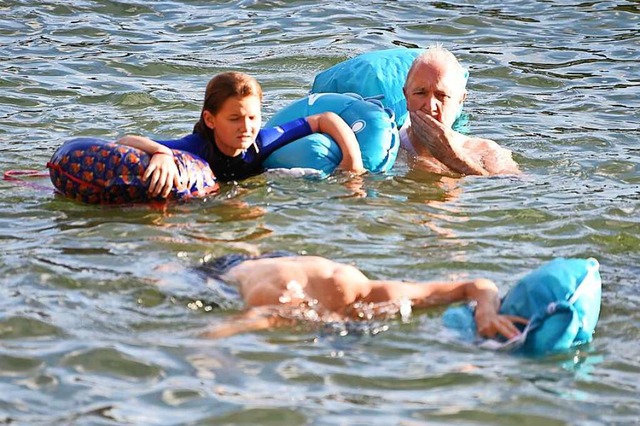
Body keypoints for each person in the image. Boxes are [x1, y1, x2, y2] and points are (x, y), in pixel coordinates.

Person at [117, 72, 365, 197]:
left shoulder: (260, 143)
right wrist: (161, 152)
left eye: (253, 118)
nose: (246, 127)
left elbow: (325, 119)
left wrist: (353, 163)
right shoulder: (196, 147)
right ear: (210, 119)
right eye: (234, 119)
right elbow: (123, 142)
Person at [194, 252, 527, 339]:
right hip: (228, 271)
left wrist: (485, 311)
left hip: (282, 263)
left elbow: (476, 285)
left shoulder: (367, 293)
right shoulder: (282, 304)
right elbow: (228, 329)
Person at [401, 46, 520, 176]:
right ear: (406, 96)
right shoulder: (389, 147)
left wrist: (454, 159)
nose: (430, 106)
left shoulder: (486, 152)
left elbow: (516, 189)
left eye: (441, 95)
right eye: (420, 93)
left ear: (460, 100)